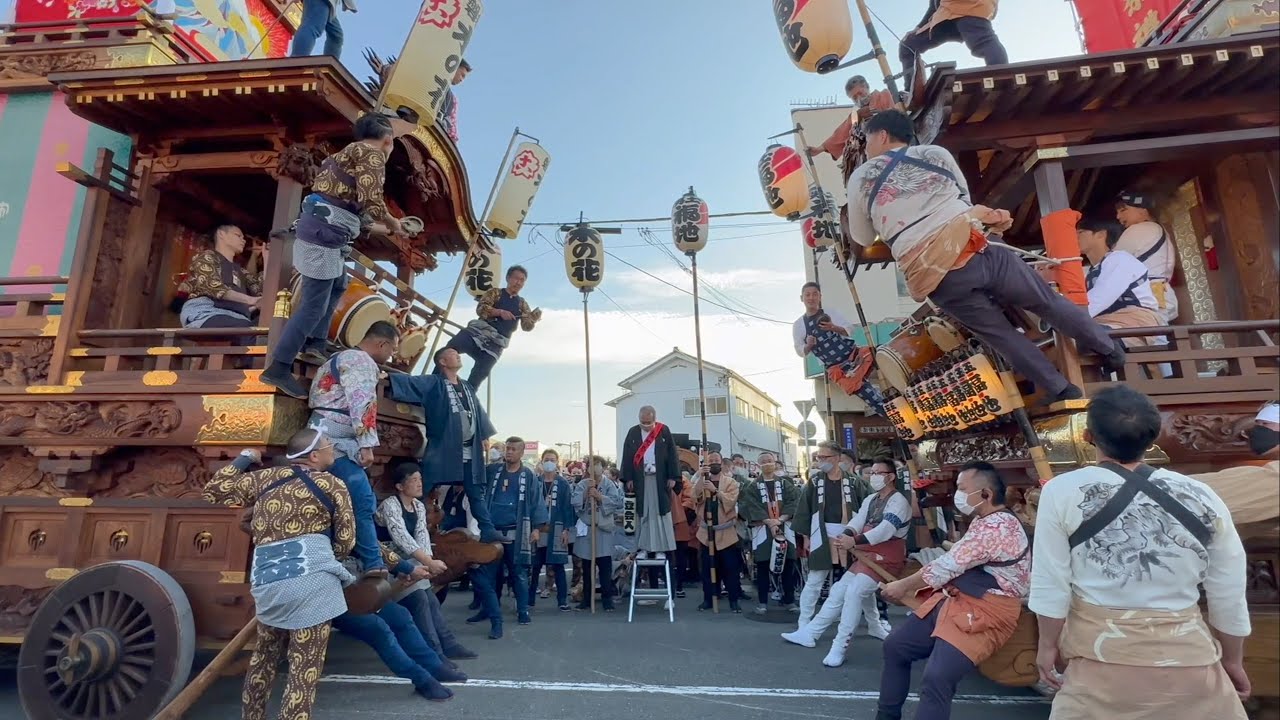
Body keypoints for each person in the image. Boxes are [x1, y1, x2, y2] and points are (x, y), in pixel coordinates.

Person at [847, 110, 1125, 404]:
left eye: (867, 141)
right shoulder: (935, 153)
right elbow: (964, 199)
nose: (866, 148)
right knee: (1046, 301)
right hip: (978, 242)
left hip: (936, 272)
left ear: (882, 136)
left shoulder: (861, 177)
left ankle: (1061, 390)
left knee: (1000, 334)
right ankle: (1109, 349)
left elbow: (863, 238)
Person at [1031, 385, 1250, 720]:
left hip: (1100, 667)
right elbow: (1228, 590)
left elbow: (1052, 583)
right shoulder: (1200, 494)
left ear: (1088, 436)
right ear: (1153, 437)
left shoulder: (1062, 491)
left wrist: (1047, 647)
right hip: (1191, 664)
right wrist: (1232, 660)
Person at [202, 428, 355, 720]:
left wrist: (246, 458)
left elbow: (214, 491)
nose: (332, 448)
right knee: (303, 669)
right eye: (328, 445)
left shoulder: (263, 479)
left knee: (263, 657)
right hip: (312, 582)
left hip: (269, 581)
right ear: (314, 456)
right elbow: (346, 542)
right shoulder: (333, 485)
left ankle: (252, 716)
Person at [261, 113, 403, 399]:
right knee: (313, 305)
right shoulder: (372, 155)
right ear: (387, 139)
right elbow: (372, 202)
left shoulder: (341, 157)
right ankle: (278, 367)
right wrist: (393, 223)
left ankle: (315, 343)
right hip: (324, 237)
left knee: (338, 286)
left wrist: (387, 227)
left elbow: (354, 212)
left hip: (325, 233)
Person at [876, 461, 1031, 720]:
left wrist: (901, 586)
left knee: (937, 677)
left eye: (961, 488)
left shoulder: (998, 526)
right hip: (957, 600)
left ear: (986, 495)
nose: (956, 495)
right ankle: (886, 716)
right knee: (895, 647)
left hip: (988, 610)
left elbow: (947, 566)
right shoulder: (985, 521)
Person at [785, 457, 908, 667]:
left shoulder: (899, 501)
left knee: (854, 592)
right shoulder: (871, 499)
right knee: (839, 590)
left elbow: (885, 530)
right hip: (865, 553)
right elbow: (858, 520)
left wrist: (854, 540)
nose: (873, 476)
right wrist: (847, 534)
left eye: (879, 473)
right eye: (872, 472)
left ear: (891, 477)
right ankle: (812, 633)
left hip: (886, 558)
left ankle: (839, 646)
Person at [307, 320, 399, 578]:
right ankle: (372, 563)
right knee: (362, 498)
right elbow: (362, 405)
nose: (391, 355)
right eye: (392, 349)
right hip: (332, 441)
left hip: (321, 434)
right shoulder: (362, 362)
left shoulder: (339, 357)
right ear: (382, 343)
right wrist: (367, 445)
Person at [389, 347, 501, 544]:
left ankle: (487, 529)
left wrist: (483, 434)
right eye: (452, 353)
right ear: (442, 361)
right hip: (443, 446)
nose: (458, 354)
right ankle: (408, 526)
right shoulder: (434, 383)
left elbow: (477, 413)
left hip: (468, 449)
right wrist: (387, 376)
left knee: (475, 491)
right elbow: (411, 383)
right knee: (424, 486)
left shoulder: (466, 386)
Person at [376, 464, 478, 662]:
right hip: (387, 560)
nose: (419, 483)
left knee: (429, 598)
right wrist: (427, 563)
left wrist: (429, 562)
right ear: (399, 486)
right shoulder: (390, 504)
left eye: (420, 479)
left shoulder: (419, 506)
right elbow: (400, 536)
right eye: (413, 480)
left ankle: (447, 644)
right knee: (420, 600)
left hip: (410, 559)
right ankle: (434, 652)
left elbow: (422, 535)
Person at [793, 441, 872, 629]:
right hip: (821, 533)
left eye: (824, 457)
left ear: (837, 458)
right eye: (818, 457)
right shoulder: (815, 481)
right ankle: (804, 620)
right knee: (815, 579)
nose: (820, 461)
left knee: (858, 578)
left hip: (850, 535)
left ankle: (871, 622)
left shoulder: (853, 481)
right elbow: (804, 510)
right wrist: (806, 537)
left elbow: (868, 507)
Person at [478, 437, 547, 628]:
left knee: (519, 573)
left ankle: (523, 610)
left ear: (522, 453)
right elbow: (476, 478)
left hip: (516, 531)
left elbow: (536, 502)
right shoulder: (493, 471)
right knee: (491, 573)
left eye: (513, 449)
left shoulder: (529, 475)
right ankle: (489, 609)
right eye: (507, 448)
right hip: (493, 530)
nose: (509, 452)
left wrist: (536, 528)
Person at [439, 265, 541, 389]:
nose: (518, 282)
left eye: (522, 280)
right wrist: (499, 312)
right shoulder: (495, 293)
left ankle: (466, 398)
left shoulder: (522, 304)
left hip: (497, 343)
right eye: (516, 278)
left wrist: (533, 319)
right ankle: (436, 383)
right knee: (451, 348)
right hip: (478, 333)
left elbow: (526, 327)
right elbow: (481, 309)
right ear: (508, 278)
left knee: (481, 373)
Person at [1076, 216, 1169, 349]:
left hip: (1135, 320)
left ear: (1101, 235)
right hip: (1111, 321)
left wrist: (1071, 318)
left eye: (1080, 233)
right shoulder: (1092, 271)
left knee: (1083, 338)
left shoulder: (1119, 259)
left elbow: (1101, 297)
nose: (1075, 238)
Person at [793, 282, 885, 413]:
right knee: (871, 398)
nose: (811, 298)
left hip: (856, 355)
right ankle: (897, 418)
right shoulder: (799, 325)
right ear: (802, 298)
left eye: (815, 294)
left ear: (820, 296)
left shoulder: (830, 312)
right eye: (807, 295)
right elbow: (800, 351)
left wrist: (833, 327)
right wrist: (808, 345)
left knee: (883, 353)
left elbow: (850, 330)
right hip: (841, 370)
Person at [899, 0, 1007, 102]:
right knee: (907, 45)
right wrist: (918, 28)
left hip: (968, 5)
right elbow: (933, 6)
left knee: (983, 41)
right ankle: (912, 91)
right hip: (947, 13)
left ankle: (1001, 79)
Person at [620, 406, 680, 582]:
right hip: (640, 480)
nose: (646, 426)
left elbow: (673, 455)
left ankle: (661, 548)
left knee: (659, 514)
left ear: (655, 418)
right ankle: (644, 547)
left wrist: (673, 476)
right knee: (643, 513)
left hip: (659, 479)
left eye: (649, 422)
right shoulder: (632, 432)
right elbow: (627, 456)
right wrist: (628, 477)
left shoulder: (664, 430)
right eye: (643, 422)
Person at [177, 224, 262, 345]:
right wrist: (251, 300)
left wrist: (268, 257)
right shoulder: (207, 257)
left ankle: (248, 362)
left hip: (238, 318)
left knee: (267, 327)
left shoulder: (241, 271)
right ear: (221, 234)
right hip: (208, 312)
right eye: (238, 235)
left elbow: (260, 290)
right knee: (249, 331)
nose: (243, 240)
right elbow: (214, 287)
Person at [740, 451, 799, 615]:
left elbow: (794, 501)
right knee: (763, 564)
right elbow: (749, 505)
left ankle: (789, 599)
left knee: (788, 563)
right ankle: (762, 601)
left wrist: (780, 519)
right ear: (759, 465)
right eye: (764, 461)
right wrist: (769, 521)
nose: (767, 463)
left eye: (770, 461)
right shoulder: (752, 486)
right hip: (762, 528)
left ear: (775, 462)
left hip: (784, 525)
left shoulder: (785, 483)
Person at [1115, 190, 1179, 323]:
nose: (1118, 216)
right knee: (1158, 335)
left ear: (1142, 210)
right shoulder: (1159, 230)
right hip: (1162, 292)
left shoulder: (1139, 229)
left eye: (1123, 210)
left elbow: (1112, 264)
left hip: (1145, 294)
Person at [693, 451, 744, 613]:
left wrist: (715, 491)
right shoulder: (702, 480)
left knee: (730, 568)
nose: (714, 463)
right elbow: (695, 497)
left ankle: (734, 600)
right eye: (711, 461)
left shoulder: (730, 482)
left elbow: (731, 500)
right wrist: (702, 480)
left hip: (725, 532)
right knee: (707, 568)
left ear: (721, 463)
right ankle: (708, 598)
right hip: (706, 532)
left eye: (717, 460)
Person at [572, 456, 624, 611]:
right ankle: (587, 598)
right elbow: (575, 503)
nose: (594, 468)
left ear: (603, 467)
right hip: (588, 529)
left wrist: (600, 497)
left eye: (598, 465)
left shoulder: (609, 484)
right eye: (591, 465)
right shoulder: (582, 484)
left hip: (603, 530)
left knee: (605, 566)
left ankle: (607, 598)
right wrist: (587, 493)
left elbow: (617, 503)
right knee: (587, 567)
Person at [529, 448, 575, 612]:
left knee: (558, 566)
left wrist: (567, 529)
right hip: (539, 529)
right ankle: (529, 600)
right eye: (547, 459)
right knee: (534, 566)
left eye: (552, 459)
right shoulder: (536, 481)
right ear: (542, 461)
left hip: (557, 528)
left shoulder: (563, 483)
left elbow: (568, 507)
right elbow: (531, 505)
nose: (549, 462)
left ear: (557, 462)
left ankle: (562, 600)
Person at [291, 0, 356, 59]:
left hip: (330, 4)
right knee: (313, 25)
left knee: (336, 37)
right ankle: (296, 60)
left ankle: (328, 66)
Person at [438, 59, 471, 142]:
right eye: (462, 75)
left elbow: (452, 128)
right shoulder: (436, 81)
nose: (461, 80)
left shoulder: (453, 100)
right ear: (455, 68)